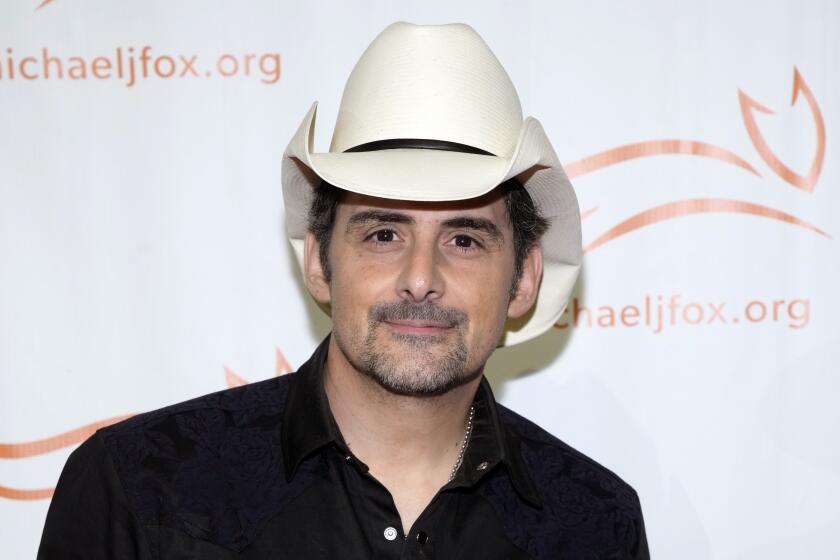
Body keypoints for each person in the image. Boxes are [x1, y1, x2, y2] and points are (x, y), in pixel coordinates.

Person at [38, 22, 649, 559]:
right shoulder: (142, 486)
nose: (420, 278)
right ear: (319, 263)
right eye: (384, 233)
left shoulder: (594, 523)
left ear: (524, 279)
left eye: (464, 239)